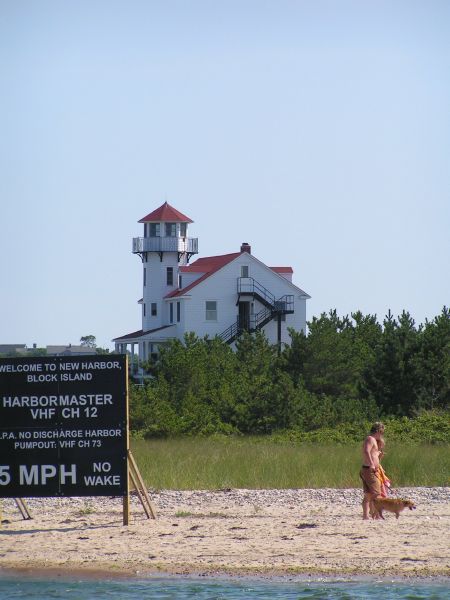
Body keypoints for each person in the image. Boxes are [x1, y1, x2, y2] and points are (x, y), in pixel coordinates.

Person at [359, 422, 385, 520]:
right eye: (381, 433)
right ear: (378, 431)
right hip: (369, 469)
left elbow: (373, 454)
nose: (381, 435)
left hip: (368, 469)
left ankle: (366, 516)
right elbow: (366, 451)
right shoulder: (370, 439)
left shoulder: (373, 440)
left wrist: (379, 457)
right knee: (377, 493)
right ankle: (376, 515)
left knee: (369, 494)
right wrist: (372, 464)